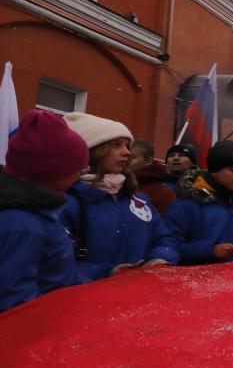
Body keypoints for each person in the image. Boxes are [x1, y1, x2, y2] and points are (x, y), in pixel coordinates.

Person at [61, 112, 177, 280]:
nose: (127, 153)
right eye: (116, 145)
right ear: (93, 151)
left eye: (127, 146)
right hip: (89, 301)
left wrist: (160, 259)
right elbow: (56, 268)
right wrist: (107, 274)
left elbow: (165, 239)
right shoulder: (69, 203)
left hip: (139, 296)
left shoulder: (138, 200)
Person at [0, 110, 89, 311]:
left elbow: (54, 277)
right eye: (79, 167)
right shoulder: (22, 225)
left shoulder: (35, 211)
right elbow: (15, 308)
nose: (80, 174)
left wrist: (105, 273)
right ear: (54, 171)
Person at [163, 140, 233, 264]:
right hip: (197, 279)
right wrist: (210, 251)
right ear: (215, 171)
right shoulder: (187, 204)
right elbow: (169, 247)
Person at [133, 147, 177, 215]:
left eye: (133, 157)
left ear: (148, 161)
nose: (127, 160)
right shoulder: (117, 183)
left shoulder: (163, 193)